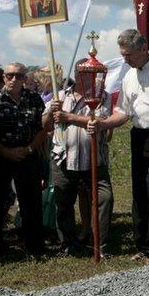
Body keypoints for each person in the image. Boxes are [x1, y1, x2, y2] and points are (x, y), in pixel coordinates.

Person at [88, 29, 149, 263]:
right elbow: (124, 112)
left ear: (143, 48)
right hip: (138, 136)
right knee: (139, 191)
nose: (125, 59)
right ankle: (142, 245)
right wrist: (103, 124)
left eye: (128, 54)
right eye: (122, 55)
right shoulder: (129, 75)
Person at [44, 68, 114, 256]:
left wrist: (70, 117)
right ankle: (68, 244)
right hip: (64, 159)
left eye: (95, 74)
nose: (92, 78)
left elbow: (101, 121)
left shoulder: (102, 96)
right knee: (64, 203)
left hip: (94, 159)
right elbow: (47, 126)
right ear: (78, 75)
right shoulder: (60, 96)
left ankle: (99, 244)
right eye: (88, 74)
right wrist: (51, 112)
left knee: (104, 198)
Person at [0, 62, 48, 256]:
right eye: (10, 75)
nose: (14, 79)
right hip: (0, 155)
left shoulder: (34, 98)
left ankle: (34, 246)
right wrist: (4, 151)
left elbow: (42, 127)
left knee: (31, 202)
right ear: (3, 77)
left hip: (28, 154)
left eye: (19, 76)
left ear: (25, 79)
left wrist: (29, 148)